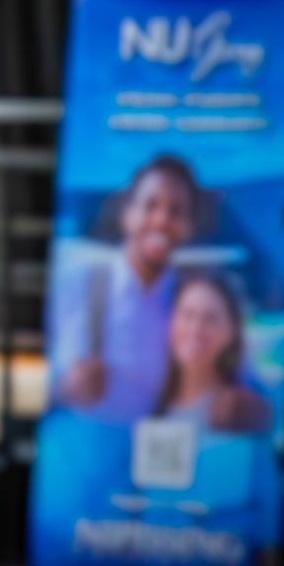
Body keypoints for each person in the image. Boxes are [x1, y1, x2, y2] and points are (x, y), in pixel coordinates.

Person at [50, 155, 200, 423]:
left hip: (158, 456)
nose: (161, 220)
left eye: (176, 211)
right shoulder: (75, 283)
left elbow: (240, 382)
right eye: (150, 205)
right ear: (127, 213)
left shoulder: (194, 301)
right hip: (78, 455)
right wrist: (65, 388)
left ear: (189, 228)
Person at [155, 271, 271, 434]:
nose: (195, 329)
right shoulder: (150, 401)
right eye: (187, 314)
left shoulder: (239, 411)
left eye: (210, 319)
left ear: (232, 332)